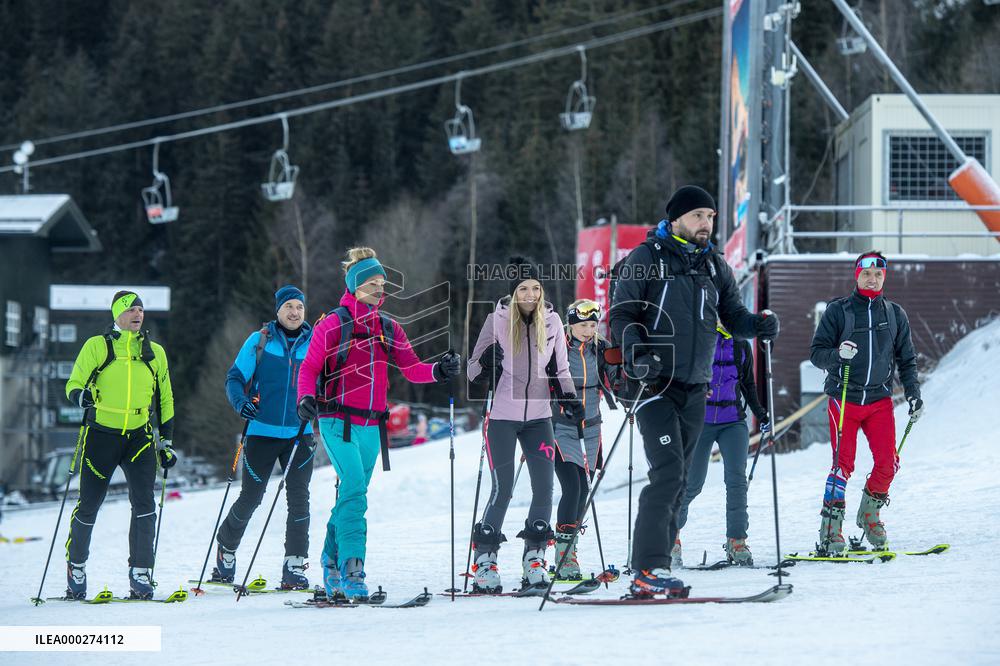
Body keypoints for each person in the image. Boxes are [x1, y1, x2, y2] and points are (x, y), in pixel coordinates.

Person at [609, 185, 779, 597]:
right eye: (699, 216)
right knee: (667, 475)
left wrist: (757, 325)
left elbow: (732, 317)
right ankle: (647, 569)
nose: (707, 223)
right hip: (652, 384)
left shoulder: (714, 266)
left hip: (695, 386)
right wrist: (637, 352)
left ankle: (657, 567)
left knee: (681, 480)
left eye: (711, 216)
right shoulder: (646, 258)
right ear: (678, 218)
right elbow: (622, 313)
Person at [297, 247, 460, 600]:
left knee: (352, 495)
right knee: (354, 488)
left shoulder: (388, 327)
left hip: (373, 426)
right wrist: (305, 398)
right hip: (335, 419)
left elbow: (412, 368)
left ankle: (330, 560)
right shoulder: (332, 324)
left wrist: (438, 370)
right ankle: (354, 570)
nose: (379, 290)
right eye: (372, 283)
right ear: (355, 286)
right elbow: (309, 368)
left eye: (382, 284)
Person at [466, 258, 580, 593]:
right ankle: (485, 562)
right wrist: (486, 362)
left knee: (545, 488)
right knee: (503, 488)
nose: (530, 295)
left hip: (540, 419)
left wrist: (570, 399)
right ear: (513, 293)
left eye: (535, 288)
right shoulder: (497, 320)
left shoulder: (554, 322)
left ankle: (534, 559)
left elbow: (560, 369)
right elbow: (472, 369)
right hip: (502, 418)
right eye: (523, 289)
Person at [63, 290, 176, 600]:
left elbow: (165, 398)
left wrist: (166, 441)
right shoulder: (97, 346)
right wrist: (80, 397)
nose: (137, 314)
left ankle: (141, 572)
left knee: (145, 506)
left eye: (140, 309)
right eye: (130, 309)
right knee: (89, 504)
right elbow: (74, 383)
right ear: (116, 315)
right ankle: (76, 565)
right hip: (101, 434)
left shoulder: (155, 352)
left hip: (140, 436)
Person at [809, 251, 921, 552]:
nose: (872, 279)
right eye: (866, 273)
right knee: (842, 465)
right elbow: (817, 353)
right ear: (856, 276)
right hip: (844, 398)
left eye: (878, 274)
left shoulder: (895, 314)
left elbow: (907, 361)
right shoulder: (839, 311)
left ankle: (869, 516)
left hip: (879, 400)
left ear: (884, 277)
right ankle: (831, 530)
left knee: (888, 463)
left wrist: (913, 393)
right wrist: (837, 356)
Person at [215, 285, 315, 589]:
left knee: (299, 500)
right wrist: (240, 403)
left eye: (299, 307)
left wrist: (318, 403)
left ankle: (294, 565)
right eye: (289, 307)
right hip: (261, 432)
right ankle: (226, 549)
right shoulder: (260, 341)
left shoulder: (315, 344)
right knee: (252, 497)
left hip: (301, 433)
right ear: (278, 311)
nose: (295, 313)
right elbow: (235, 378)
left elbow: (325, 383)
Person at [674, 322, 770, 568]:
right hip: (700, 422)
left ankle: (737, 541)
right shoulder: (699, 340)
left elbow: (748, 384)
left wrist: (760, 412)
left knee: (737, 482)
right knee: (692, 483)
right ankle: (669, 535)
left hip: (733, 422)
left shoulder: (740, 346)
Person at [549, 299, 619, 580]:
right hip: (561, 427)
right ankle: (562, 559)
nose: (589, 330)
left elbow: (615, 379)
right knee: (573, 487)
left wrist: (630, 378)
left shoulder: (601, 348)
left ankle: (570, 552)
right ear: (570, 324)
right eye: (583, 325)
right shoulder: (557, 347)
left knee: (585, 491)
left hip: (591, 429)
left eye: (593, 325)